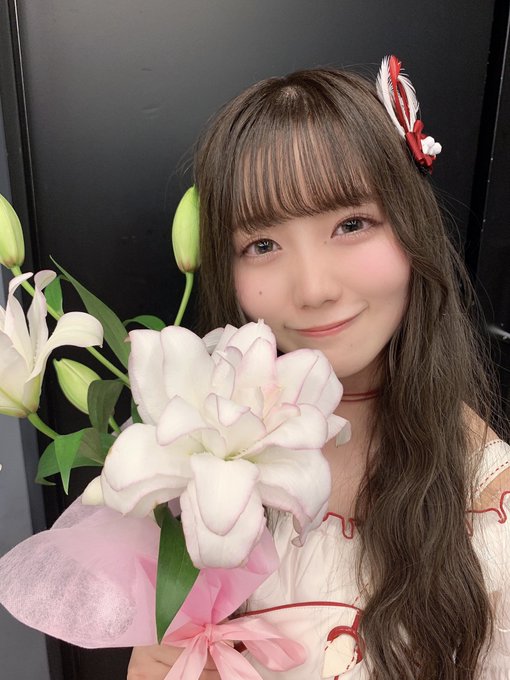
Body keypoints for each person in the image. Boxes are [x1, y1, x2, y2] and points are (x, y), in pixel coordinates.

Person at [127, 61, 510, 679]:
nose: (313, 289)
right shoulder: (191, 460)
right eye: (263, 245)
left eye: (351, 224)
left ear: (412, 228)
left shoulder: (491, 513)